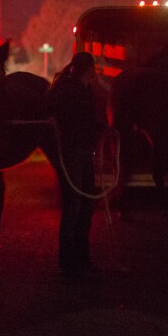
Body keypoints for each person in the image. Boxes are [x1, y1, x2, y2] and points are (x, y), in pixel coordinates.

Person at [48, 52, 103, 279]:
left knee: (86, 204)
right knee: (74, 206)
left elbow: (88, 119)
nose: (96, 71)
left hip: (83, 153)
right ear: (87, 68)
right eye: (93, 67)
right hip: (72, 154)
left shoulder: (84, 89)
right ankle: (68, 262)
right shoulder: (69, 91)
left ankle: (80, 258)